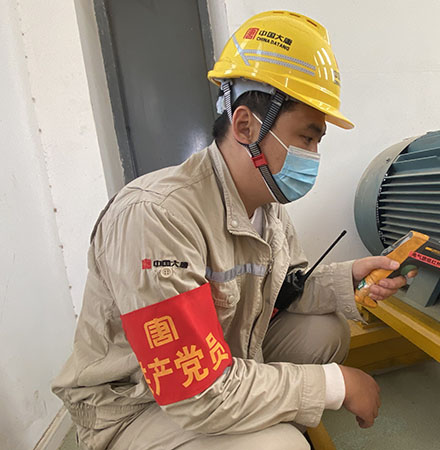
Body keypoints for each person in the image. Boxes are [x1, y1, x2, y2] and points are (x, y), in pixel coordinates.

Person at [52, 10, 414, 450]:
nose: (314, 156)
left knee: (326, 332)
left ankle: (256, 413)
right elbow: (198, 390)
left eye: (318, 142)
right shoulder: (156, 216)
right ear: (246, 126)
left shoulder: (268, 208)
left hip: (229, 359)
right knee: (281, 446)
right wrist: (336, 385)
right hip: (141, 403)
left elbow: (283, 291)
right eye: (306, 138)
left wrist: (350, 276)